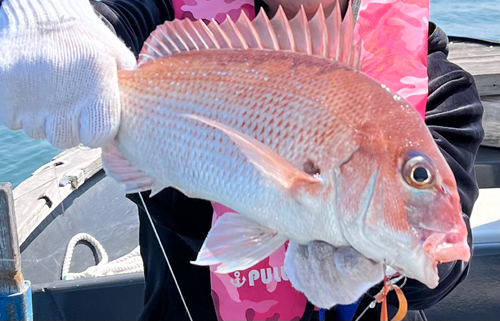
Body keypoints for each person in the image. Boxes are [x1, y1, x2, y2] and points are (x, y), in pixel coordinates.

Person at [0, 0, 484, 320]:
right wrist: (56, 29)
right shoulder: (162, 12)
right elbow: (111, 21)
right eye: (417, 174)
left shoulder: (436, 88)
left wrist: (389, 266)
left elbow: (444, 267)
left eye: (416, 174)